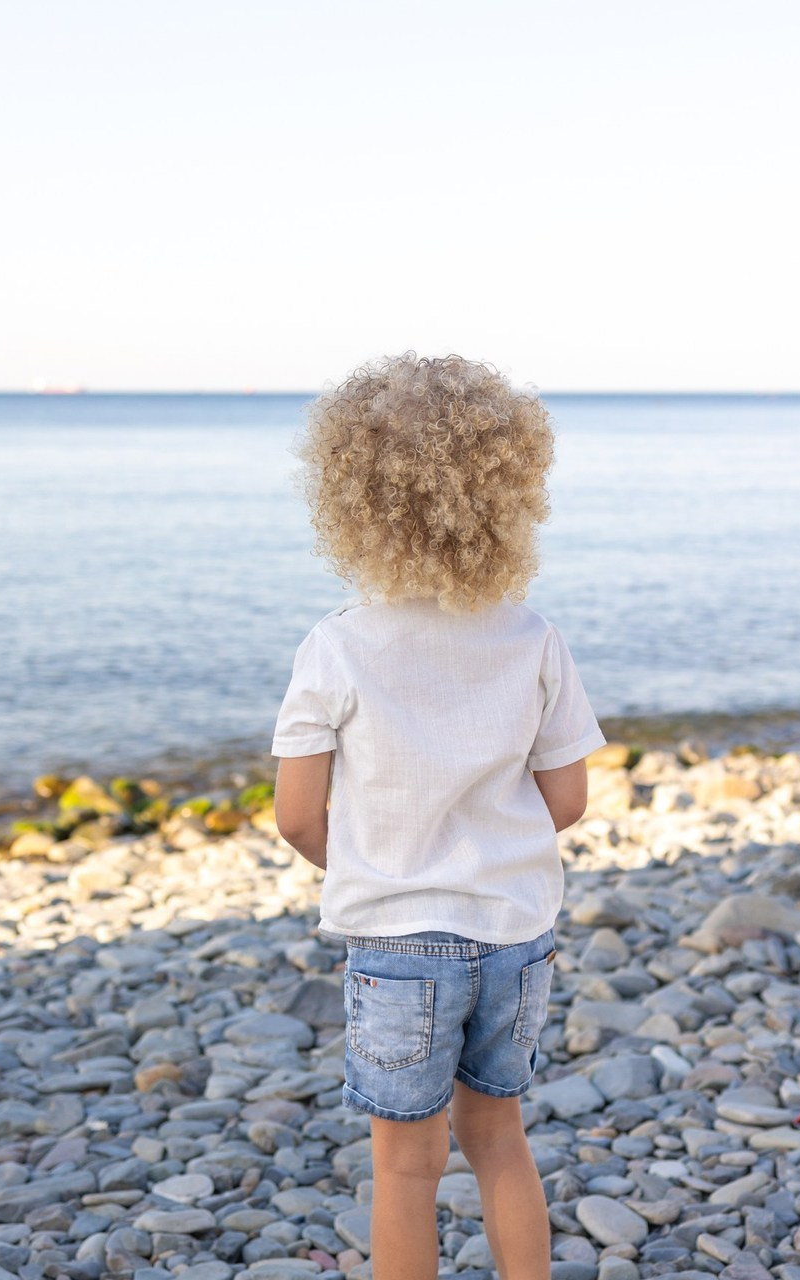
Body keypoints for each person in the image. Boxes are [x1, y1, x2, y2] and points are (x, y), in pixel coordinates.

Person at [271, 352, 605, 1279]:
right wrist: (489, 843)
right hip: (513, 930)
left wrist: (378, 860)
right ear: (508, 492)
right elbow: (567, 799)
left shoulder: (336, 646)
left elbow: (298, 818)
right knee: (499, 1138)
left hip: (399, 941)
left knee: (405, 1167)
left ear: (348, 500)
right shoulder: (533, 637)